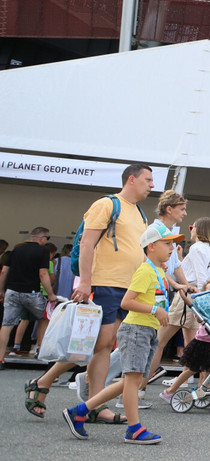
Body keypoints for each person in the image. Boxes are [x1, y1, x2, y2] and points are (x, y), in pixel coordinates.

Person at [26, 164, 155, 423]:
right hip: (105, 284)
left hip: (126, 288)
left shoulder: (140, 214)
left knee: (100, 345)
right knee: (103, 344)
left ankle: (46, 384)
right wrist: (85, 282)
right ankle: (92, 403)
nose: (152, 185)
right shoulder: (107, 205)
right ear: (132, 179)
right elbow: (86, 242)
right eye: (147, 179)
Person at [62, 220, 183, 445]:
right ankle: (134, 429)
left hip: (146, 331)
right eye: (167, 243)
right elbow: (127, 302)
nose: (172, 248)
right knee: (132, 381)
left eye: (172, 243)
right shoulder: (146, 270)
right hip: (136, 330)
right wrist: (155, 310)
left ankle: (80, 411)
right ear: (151, 246)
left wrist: (178, 288)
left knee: (133, 381)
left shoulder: (157, 270)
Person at [144, 193, 201, 387]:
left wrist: (184, 286)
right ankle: (135, 388)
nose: (185, 214)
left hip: (162, 297)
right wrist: (179, 286)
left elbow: (176, 266)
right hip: (150, 296)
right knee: (151, 343)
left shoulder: (168, 233)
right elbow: (154, 265)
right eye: (182, 209)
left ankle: (138, 389)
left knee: (154, 343)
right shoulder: (155, 230)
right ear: (169, 209)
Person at [0, 227, 55, 370]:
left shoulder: (16, 250)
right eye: (47, 238)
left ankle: (0, 358)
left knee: (7, 324)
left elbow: (4, 271)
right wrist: (50, 294)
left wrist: (1, 290)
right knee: (45, 317)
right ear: (42, 238)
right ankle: (40, 349)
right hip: (32, 292)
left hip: (12, 291)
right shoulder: (42, 251)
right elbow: (43, 274)